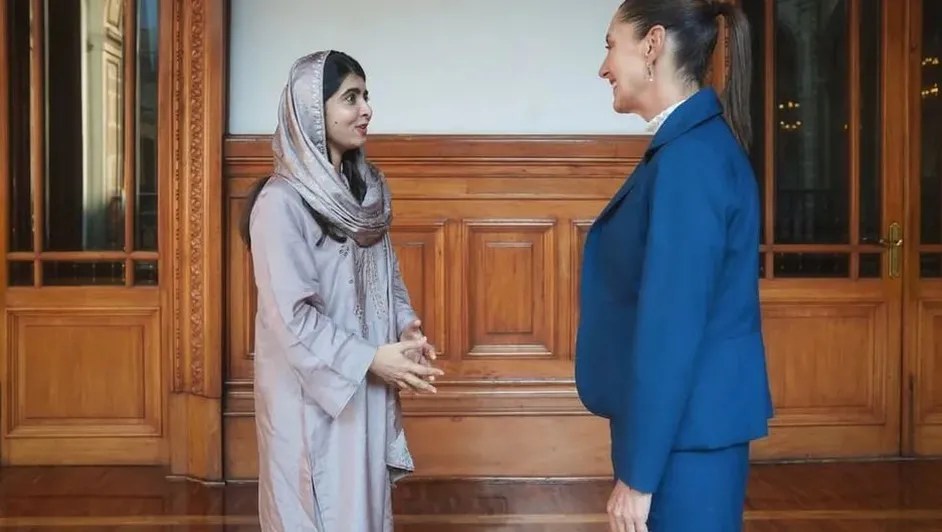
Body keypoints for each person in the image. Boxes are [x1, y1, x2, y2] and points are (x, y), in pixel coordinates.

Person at [574, 1, 774, 531]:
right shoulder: (690, 149)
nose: (604, 67)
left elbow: (673, 327)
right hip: (684, 432)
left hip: (686, 439)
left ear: (652, 44)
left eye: (610, 45)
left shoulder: (689, 160)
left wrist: (639, 476)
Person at [239, 50, 443, 531]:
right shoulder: (280, 204)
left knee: (363, 513)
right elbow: (293, 319)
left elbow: (387, 281)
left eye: (366, 95)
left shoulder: (367, 192)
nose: (366, 108)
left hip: (364, 387)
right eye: (350, 97)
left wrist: (406, 332)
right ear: (313, 109)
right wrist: (373, 359)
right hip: (311, 400)